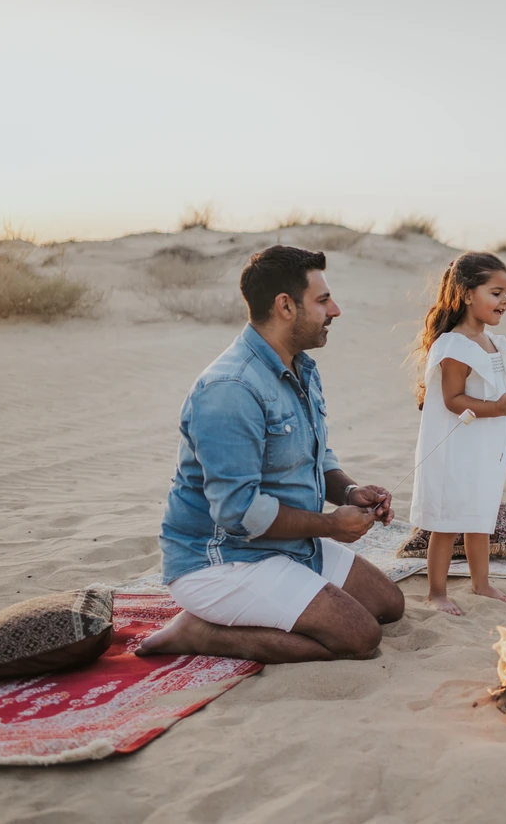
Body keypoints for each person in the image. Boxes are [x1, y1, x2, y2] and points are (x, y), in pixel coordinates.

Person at [138, 246, 405, 662]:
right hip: (221, 560)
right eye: (323, 300)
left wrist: (350, 492)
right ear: (285, 306)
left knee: (389, 605)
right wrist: (331, 526)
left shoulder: (300, 367)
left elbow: (316, 456)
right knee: (360, 637)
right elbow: (240, 513)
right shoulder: (231, 389)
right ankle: (198, 631)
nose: (335, 310)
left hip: (288, 545)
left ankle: (272, 601)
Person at [410, 251, 506, 616]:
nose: (504, 301)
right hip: (455, 449)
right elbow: (454, 399)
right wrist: (501, 409)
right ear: (466, 294)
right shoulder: (455, 346)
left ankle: (481, 582)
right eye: (496, 292)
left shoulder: (492, 342)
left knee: (480, 513)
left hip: (483, 446)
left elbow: (495, 390)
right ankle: (436, 592)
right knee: (447, 520)